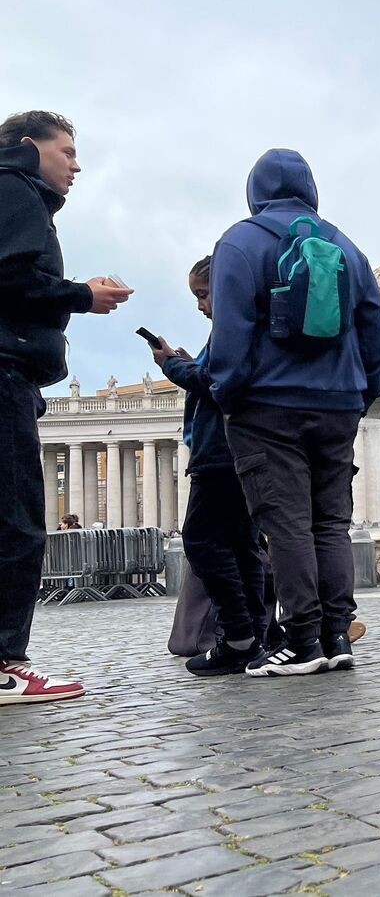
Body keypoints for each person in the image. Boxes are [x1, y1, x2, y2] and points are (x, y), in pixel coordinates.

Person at [209, 148, 380, 677]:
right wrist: (361, 393)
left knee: (286, 524)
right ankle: (338, 634)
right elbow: (374, 330)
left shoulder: (239, 242)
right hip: (338, 403)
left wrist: (228, 394)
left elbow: (231, 331)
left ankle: (302, 640)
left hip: (268, 404)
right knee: (331, 523)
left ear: (255, 190)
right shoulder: (345, 245)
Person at [0, 111, 133, 703]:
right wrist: (82, 294)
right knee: (16, 521)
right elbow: (11, 278)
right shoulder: (14, 188)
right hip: (5, 370)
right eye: (69, 152)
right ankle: (5, 663)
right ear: (30, 148)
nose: (77, 166)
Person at [153, 256, 271, 676]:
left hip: (220, 452)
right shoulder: (252, 325)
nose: (201, 305)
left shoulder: (234, 328)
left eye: (203, 294)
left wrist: (172, 365)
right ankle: (254, 635)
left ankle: (238, 634)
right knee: (242, 546)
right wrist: (189, 364)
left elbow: (215, 382)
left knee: (202, 541)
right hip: (238, 448)